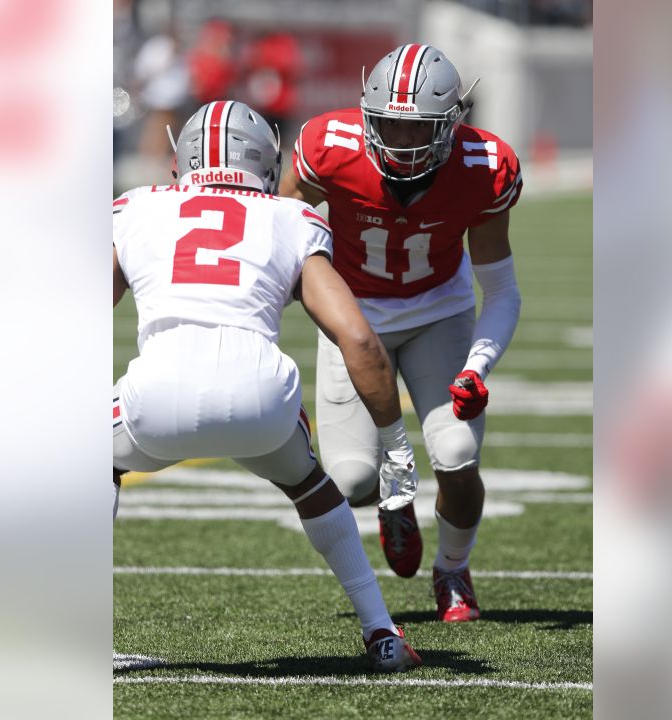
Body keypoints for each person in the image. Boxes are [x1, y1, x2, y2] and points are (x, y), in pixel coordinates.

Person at [112, 99, 423, 672]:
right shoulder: (292, 217)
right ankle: (381, 632)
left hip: (158, 388)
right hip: (262, 394)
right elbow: (358, 338)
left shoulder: (133, 207)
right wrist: (396, 448)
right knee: (309, 483)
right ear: (264, 160)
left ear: (182, 160)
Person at [278, 44, 523, 623]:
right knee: (352, 480)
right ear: (365, 114)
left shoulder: (485, 166)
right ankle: (394, 502)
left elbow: (503, 289)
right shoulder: (328, 148)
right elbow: (282, 235)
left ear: (450, 124)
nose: (400, 141)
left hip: (439, 309)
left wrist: (476, 367)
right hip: (353, 316)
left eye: (417, 130)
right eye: (387, 124)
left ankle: (454, 570)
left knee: (458, 454)